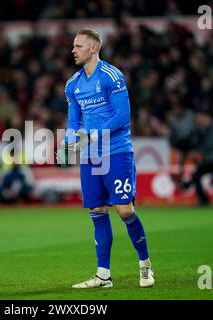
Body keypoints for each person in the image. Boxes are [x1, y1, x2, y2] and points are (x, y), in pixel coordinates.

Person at [56, 29, 154, 289]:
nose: (73, 50)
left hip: (117, 152)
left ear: (93, 48)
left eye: (78, 46)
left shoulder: (112, 75)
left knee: (124, 210)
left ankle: (145, 265)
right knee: (97, 211)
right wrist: (67, 143)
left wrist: (91, 136)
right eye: (73, 46)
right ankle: (103, 275)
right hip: (91, 157)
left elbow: (123, 116)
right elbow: (74, 121)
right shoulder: (72, 84)